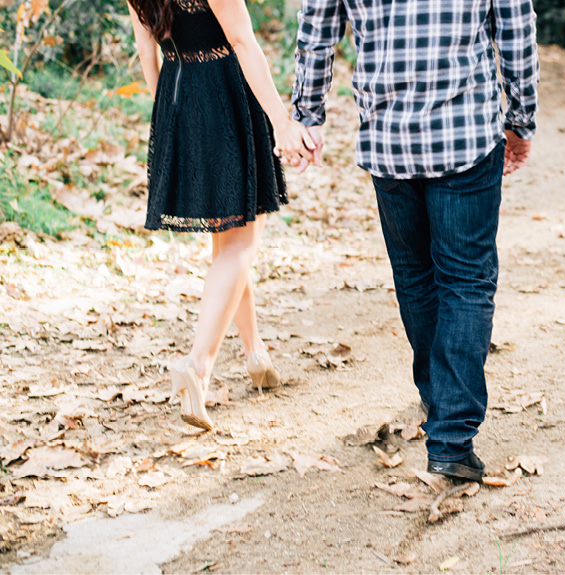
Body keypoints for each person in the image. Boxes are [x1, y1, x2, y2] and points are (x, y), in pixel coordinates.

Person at [292, 0, 539, 480]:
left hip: (389, 137)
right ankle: (451, 435)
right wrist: (521, 118)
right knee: (466, 279)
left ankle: (438, 397)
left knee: (414, 274)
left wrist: (309, 112)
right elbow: (515, 28)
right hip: (465, 133)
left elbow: (317, 26)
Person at [128, 0, 317, 431]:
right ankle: (198, 366)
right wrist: (282, 122)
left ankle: (255, 354)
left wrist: (172, 117)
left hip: (177, 93)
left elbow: (146, 48)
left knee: (226, 242)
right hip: (226, 96)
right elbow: (242, 42)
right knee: (241, 245)